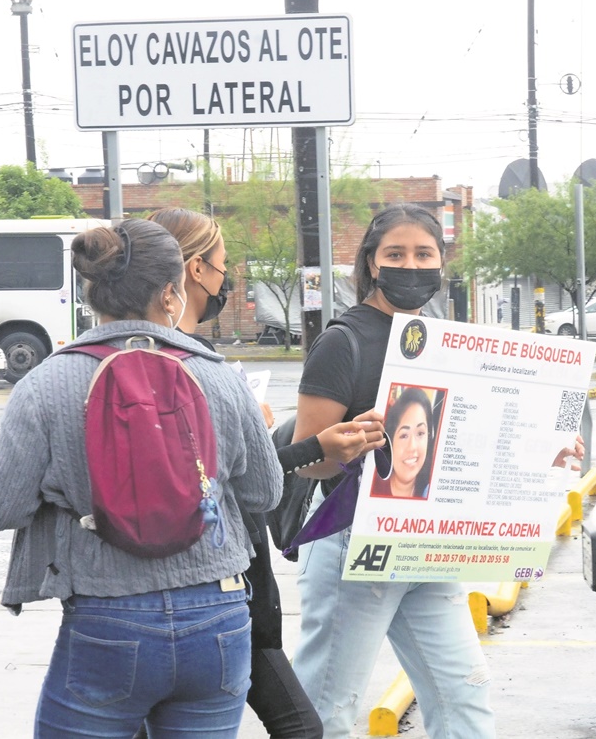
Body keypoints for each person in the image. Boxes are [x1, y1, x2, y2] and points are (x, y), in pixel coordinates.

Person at [0, 218, 283, 737]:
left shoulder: (46, 383)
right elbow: (264, 492)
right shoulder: (220, 377)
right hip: (218, 617)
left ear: (95, 293)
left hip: (108, 619)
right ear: (171, 291)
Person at [148, 206, 385, 739]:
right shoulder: (195, 366)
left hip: (147, 594)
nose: (226, 280)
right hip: (219, 588)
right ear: (194, 270)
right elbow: (249, 486)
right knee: (300, 725)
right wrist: (310, 446)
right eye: (222, 265)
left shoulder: (112, 360)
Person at [290, 203, 497, 738]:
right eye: (396, 254)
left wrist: (546, 446)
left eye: (423, 253)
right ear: (372, 264)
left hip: (427, 542)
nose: (411, 264)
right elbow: (305, 460)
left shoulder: (443, 340)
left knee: (465, 696)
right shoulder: (343, 341)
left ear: (441, 262)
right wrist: (344, 447)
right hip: (352, 545)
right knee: (329, 708)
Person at [369, 386, 435, 499]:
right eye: (404, 435)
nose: (412, 446)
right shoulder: (370, 484)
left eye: (420, 433)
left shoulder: (432, 489)